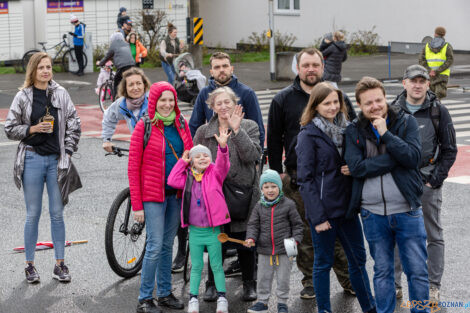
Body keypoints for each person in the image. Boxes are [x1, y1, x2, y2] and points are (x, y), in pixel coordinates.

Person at [267, 47, 356, 299]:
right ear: (298, 68)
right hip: (298, 180)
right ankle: (309, 281)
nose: (310, 70)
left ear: (322, 66)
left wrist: (354, 165)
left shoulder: (338, 96)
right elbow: (274, 139)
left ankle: (348, 279)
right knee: (305, 235)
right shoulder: (283, 99)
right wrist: (277, 176)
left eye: (315, 65)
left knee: (337, 231)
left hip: (335, 179)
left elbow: (354, 131)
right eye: (305, 65)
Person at [344, 76, 429, 313]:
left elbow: (413, 158)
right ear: (359, 105)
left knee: (418, 271)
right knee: (382, 271)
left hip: (407, 210)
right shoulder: (353, 130)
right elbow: (357, 167)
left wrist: (387, 135)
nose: (375, 106)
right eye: (368, 103)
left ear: (385, 98)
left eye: (379, 100)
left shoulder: (405, 122)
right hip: (372, 214)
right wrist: (396, 159)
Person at [296, 82, 377, 313]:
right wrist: (318, 217)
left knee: (358, 261)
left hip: (348, 208)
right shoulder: (308, 135)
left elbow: (359, 160)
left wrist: (353, 167)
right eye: (327, 103)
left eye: (336, 102)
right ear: (316, 106)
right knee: (323, 264)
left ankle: (369, 307)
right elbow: (305, 179)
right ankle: (324, 310)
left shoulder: (349, 129)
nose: (332, 107)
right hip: (324, 212)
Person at [4, 52, 81, 284]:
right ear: (33, 71)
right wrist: (32, 129)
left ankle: (60, 265)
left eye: (48, 67)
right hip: (32, 159)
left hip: (56, 161)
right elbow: (9, 128)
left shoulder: (61, 93)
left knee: (57, 214)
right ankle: (30, 265)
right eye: (41, 68)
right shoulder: (23, 96)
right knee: (33, 214)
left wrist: (67, 153)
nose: (46, 71)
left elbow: (74, 125)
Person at [391, 65, 457, 303]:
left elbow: (450, 150)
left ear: (428, 84)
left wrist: (433, 181)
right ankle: (394, 285)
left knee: (433, 234)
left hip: (427, 183)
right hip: (398, 183)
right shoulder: (392, 111)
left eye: (421, 81)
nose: (417, 85)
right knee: (396, 233)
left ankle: (433, 286)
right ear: (404, 83)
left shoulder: (439, 111)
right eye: (413, 80)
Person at [128, 81, 193, 313]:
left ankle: (164, 293)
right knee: (155, 245)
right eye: (162, 100)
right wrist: (137, 205)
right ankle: (144, 298)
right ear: (154, 101)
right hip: (152, 196)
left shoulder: (182, 124)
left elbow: (190, 157)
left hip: (176, 195)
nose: (167, 104)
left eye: (171, 100)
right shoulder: (144, 126)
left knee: (167, 244)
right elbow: (133, 168)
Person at [193, 86, 262, 302]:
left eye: (228, 102)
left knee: (244, 240)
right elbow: (195, 162)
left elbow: (252, 156)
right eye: (219, 103)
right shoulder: (204, 132)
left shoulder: (249, 126)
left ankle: (249, 284)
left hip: (244, 193)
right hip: (214, 196)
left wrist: (237, 130)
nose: (224, 106)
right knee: (216, 241)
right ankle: (212, 283)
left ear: (235, 104)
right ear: (212, 106)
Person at [167, 139, 231, 313]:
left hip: (213, 231)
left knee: (216, 266)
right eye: (198, 156)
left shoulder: (215, 174)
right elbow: (172, 180)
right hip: (194, 231)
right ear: (192, 160)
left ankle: (222, 298)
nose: (203, 158)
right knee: (196, 266)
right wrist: (183, 162)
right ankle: (193, 298)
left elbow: (223, 165)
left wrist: (222, 148)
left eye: (206, 156)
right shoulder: (187, 177)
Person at [244, 169, 303, 313]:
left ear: (279, 187)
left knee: (283, 278)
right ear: (262, 188)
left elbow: (297, 225)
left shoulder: (289, 204)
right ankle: (262, 302)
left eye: (273, 186)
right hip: (264, 250)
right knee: (263, 277)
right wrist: (251, 238)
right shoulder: (258, 206)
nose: (270, 190)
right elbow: (253, 225)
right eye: (266, 187)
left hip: (285, 249)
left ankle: (282, 303)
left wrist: (295, 240)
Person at [189, 51, 265, 148]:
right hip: (214, 151)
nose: (221, 70)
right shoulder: (204, 93)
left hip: (241, 151)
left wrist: (258, 156)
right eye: (217, 67)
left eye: (225, 66)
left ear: (231, 69)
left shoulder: (247, 93)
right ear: (211, 72)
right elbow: (194, 126)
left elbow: (258, 127)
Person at [101, 67, 151, 152]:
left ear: (144, 85)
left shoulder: (153, 99)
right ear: (125, 88)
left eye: (139, 83)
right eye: (131, 84)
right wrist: (107, 140)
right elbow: (108, 117)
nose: (135, 88)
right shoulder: (121, 104)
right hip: (138, 148)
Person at [97, 32, 135, 100]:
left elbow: (107, 56)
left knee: (116, 82)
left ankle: (115, 101)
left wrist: (100, 63)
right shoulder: (126, 44)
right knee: (128, 81)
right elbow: (122, 55)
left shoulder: (113, 45)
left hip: (123, 67)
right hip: (132, 65)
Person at [419, 26, 453, 99]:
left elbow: (421, 60)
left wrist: (429, 70)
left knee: (431, 97)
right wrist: (437, 71)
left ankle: (433, 109)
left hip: (429, 75)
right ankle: (435, 110)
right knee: (437, 97)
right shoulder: (447, 46)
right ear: (443, 35)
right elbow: (450, 60)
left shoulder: (427, 46)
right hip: (442, 75)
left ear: (435, 34)